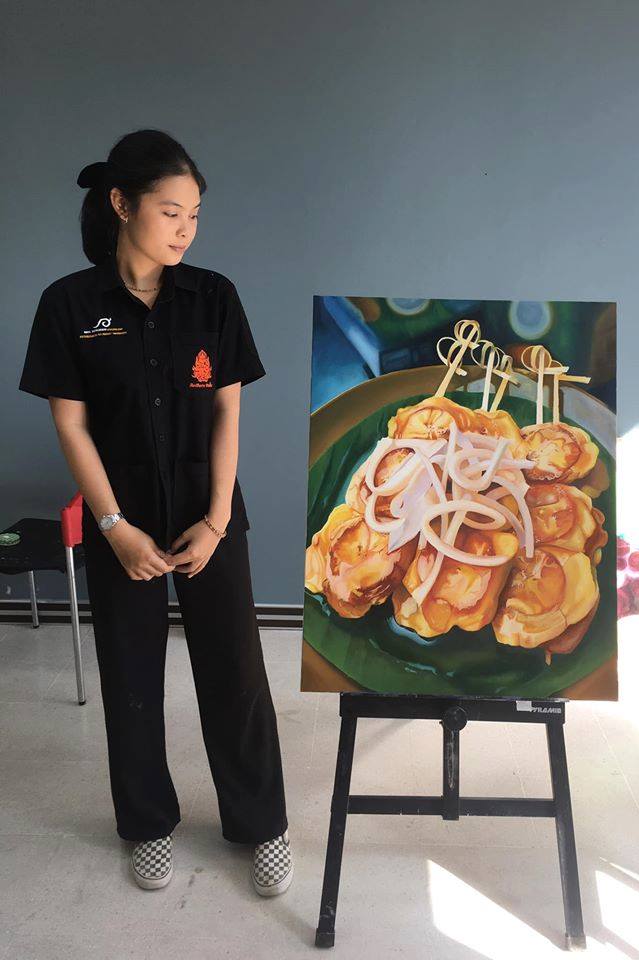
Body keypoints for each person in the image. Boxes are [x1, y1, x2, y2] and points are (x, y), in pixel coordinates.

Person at [17, 128, 293, 896]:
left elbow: (228, 414)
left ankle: (261, 824)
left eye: (194, 215)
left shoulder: (214, 297)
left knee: (236, 673)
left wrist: (215, 520)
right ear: (121, 203)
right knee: (130, 675)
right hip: (122, 522)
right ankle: (146, 825)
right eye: (171, 211)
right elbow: (72, 426)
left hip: (210, 513)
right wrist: (113, 527)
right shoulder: (68, 305)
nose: (185, 229)